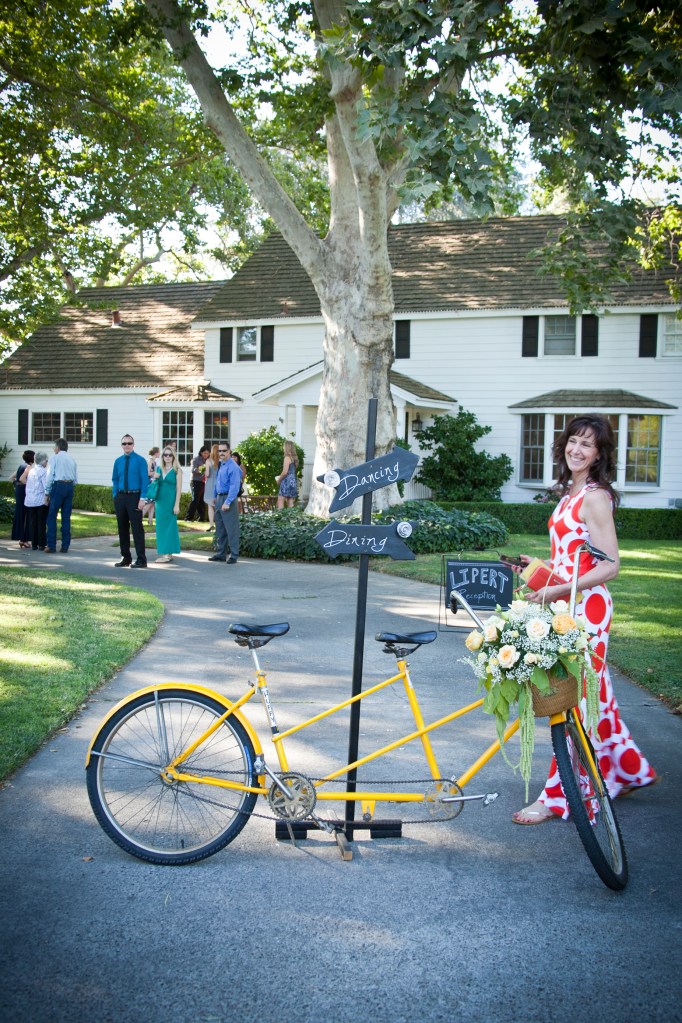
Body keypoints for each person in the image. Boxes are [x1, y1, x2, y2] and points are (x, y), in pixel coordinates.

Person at [510, 414, 657, 824]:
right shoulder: (570, 492)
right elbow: (573, 557)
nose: (577, 449)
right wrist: (539, 573)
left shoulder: (594, 495)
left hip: (586, 608)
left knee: (575, 699)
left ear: (599, 454)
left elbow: (610, 566)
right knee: (596, 694)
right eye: (573, 440)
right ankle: (624, 770)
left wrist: (558, 590)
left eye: (587, 444)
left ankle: (558, 796)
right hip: (566, 601)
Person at [112, 434, 149, 568]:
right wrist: (115, 495)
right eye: (124, 443)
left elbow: (145, 480)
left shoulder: (140, 460)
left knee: (137, 528)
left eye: (129, 443)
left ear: (133, 445)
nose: (127, 445)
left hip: (135, 496)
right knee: (122, 528)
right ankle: (125, 557)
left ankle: (141, 559)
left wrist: (142, 498)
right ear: (121, 445)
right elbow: (115, 479)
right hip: (121, 497)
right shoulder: (118, 461)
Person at [149, 446, 182, 564]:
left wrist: (176, 505)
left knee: (170, 526)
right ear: (162, 456)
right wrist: (155, 477)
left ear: (173, 456)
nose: (167, 457)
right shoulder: (158, 469)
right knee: (161, 527)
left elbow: (179, 489)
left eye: (170, 455)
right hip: (160, 501)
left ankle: (167, 555)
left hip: (170, 500)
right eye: (165, 455)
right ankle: (167, 552)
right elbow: (154, 485)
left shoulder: (177, 470)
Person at [208, 443, 241, 564]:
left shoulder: (233, 467)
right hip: (219, 498)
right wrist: (214, 496)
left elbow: (234, 487)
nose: (221, 453)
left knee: (231, 529)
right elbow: (218, 481)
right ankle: (221, 554)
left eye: (224, 451)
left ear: (229, 451)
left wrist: (227, 502)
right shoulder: (222, 464)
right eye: (219, 451)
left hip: (228, 499)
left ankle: (234, 555)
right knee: (220, 528)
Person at [44, 439, 78, 553]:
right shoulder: (72, 460)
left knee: (52, 515)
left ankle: (51, 545)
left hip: (58, 486)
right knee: (66, 517)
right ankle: (65, 546)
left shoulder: (54, 458)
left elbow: (50, 476)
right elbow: (75, 479)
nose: (54, 449)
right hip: (69, 486)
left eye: (54, 447)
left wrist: (47, 492)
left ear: (58, 448)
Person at [22, 451, 49, 550]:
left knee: (33, 522)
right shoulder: (43, 471)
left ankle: (34, 544)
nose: (47, 462)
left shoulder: (32, 470)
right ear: (42, 461)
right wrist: (47, 497)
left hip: (30, 500)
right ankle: (42, 544)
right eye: (46, 460)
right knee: (41, 522)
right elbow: (46, 486)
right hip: (40, 500)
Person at [10, 449, 34, 547]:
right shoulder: (29, 467)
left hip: (19, 492)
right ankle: (25, 540)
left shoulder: (21, 465)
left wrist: (16, 484)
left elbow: (12, 478)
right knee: (28, 515)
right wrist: (31, 485)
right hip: (26, 492)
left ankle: (20, 538)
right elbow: (23, 479)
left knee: (20, 513)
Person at [186, 445, 210, 522]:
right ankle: (189, 517)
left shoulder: (208, 460)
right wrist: (200, 469)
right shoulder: (196, 459)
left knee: (202, 500)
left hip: (203, 481)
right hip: (195, 481)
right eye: (204, 453)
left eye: (207, 453)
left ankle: (202, 518)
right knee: (195, 499)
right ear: (201, 452)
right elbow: (193, 469)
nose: (206, 455)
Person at [275, 440, 298, 509]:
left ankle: (280, 517)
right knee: (290, 501)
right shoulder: (294, 459)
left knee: (280, 500)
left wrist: (279, 480)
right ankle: (291, 517)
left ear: (286, 448)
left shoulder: (287, 458)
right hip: (293, 481)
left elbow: (285, 472)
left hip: (286, 481)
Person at [204, 443, 219, 531]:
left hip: (210, 484)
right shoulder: (221, 461)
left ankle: (211, 524)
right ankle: (218, 525)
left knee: (210, 506)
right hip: (219, 484)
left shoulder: (208, 461)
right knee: (218, 505)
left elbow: (207, 474)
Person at [146, 447, 160, 527]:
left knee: (152, 503)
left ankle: (150, 521)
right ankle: (138, 519)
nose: (159, 453)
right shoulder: (151, 461)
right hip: (151, 484)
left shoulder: (154, 461)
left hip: (153, 483)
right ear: (155, 453)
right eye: (159, 452)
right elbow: (148, 472)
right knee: (149, 503)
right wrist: (157, 472)